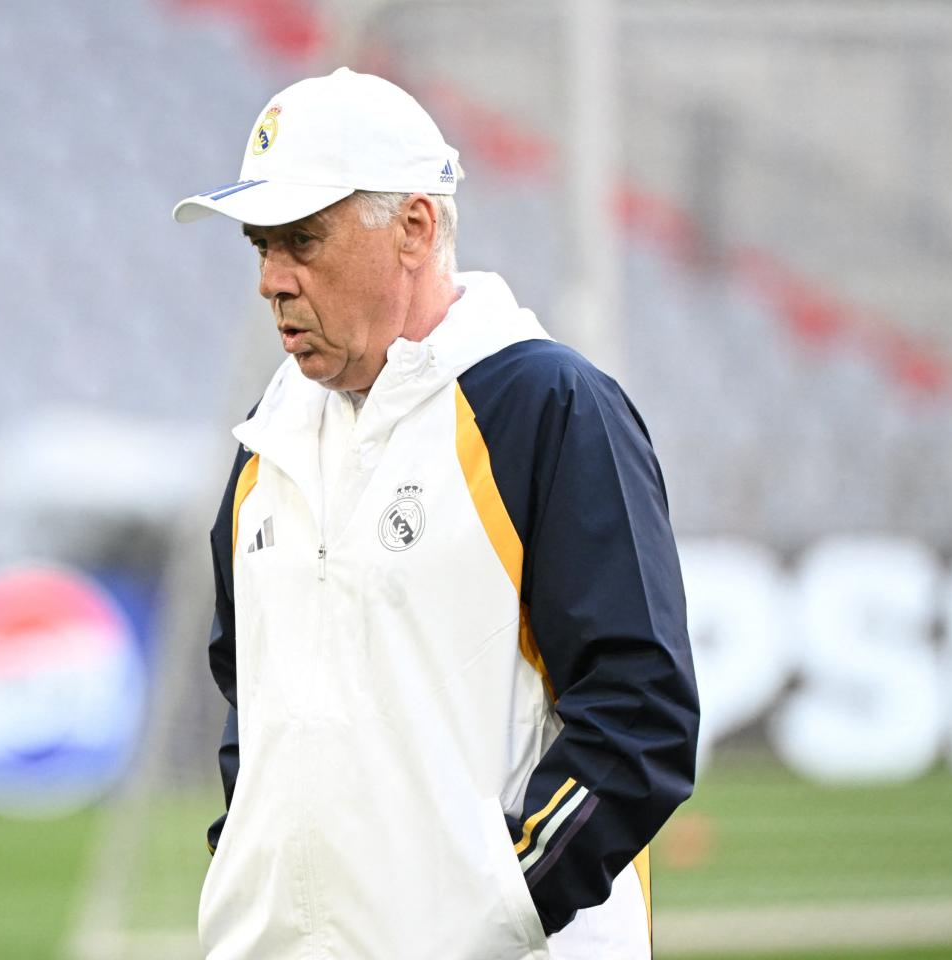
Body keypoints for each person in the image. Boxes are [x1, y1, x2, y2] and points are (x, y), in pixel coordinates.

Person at [171, 67, 699, 960]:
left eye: (302, 238)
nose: (271, 279)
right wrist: (254, 878)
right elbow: (255, 710)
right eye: (260, 244)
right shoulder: (268, 438)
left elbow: (642, 710)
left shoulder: (549, 405)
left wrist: (494, 909)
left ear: (415, 227)